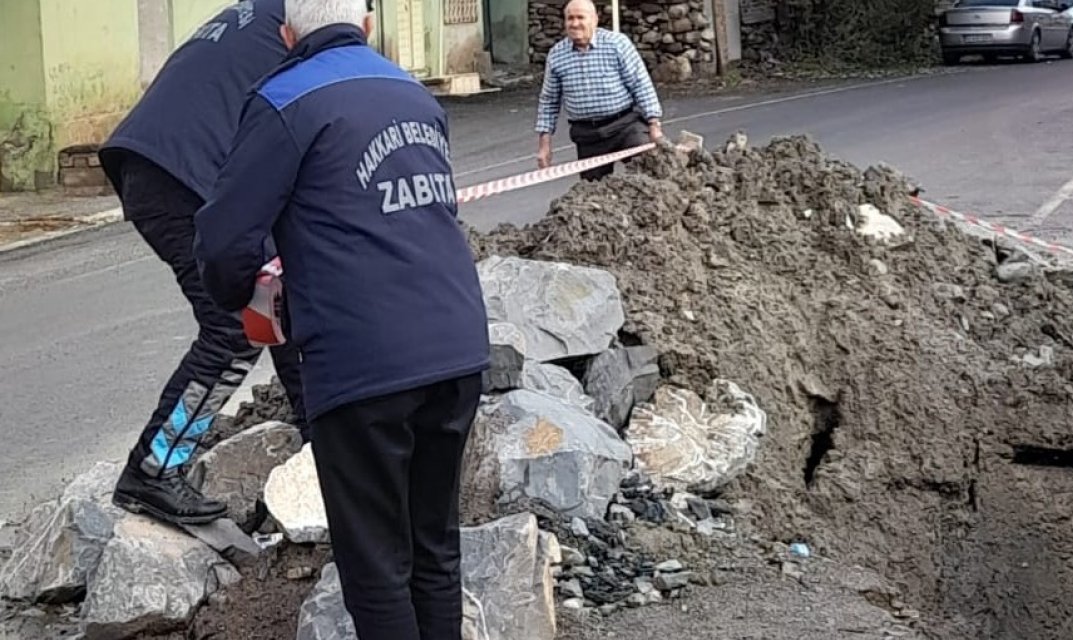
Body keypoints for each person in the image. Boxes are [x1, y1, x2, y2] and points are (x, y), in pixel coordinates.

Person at [192, 1, 490, 638]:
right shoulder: (413, 91)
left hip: (363, 363)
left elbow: (222, 240)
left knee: (376, 565)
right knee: (434, 548)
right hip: (458, 345)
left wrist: (246, 293)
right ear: (368, 26)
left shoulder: (283, 99)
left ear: (286, 35)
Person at [96, 0, 311, 527]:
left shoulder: (258, 14)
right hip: (183, 174)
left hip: (161, 165)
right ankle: (152, 470)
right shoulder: (304, 32)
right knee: (237, 326)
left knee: (272, 300)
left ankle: (317, 438)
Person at [534, 0, 665, 180]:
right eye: (570, 18)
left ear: (595, 20)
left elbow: (640, 84)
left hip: (625, 126)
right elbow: (549, 100)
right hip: (588, 135)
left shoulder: (616, 44)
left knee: (650, 175)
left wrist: (654, 124)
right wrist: (544, 144)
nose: (575, 23)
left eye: (581, 17)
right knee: (592, 194)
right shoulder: (557, 55)